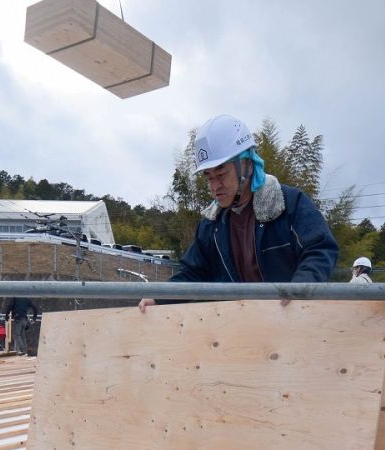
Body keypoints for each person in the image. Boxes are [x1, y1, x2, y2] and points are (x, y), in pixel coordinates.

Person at [139, 114, 337, 311]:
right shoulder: (211, 225)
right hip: (237, 327)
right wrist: (160, 298)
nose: (214, 186)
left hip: (288, 319)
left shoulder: (288, 204)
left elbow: (320, 249)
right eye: (209, 177)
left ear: (247, 165)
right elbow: (192, 273)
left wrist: (299, 288)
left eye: (221, 174)